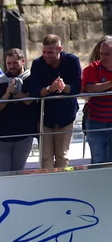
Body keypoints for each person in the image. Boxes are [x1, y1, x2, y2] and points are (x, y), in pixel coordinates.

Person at [29, 34, 81, 169]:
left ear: (59, 49)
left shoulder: (72, 61)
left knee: (62, 155)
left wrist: (63, 87)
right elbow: (33, 90)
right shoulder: (37, 64)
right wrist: (49, 89)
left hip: (66, 115)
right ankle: (47, 181)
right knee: (45, 156)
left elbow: (77, 87)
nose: (46, 56)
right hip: (45, 115)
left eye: (50, 52)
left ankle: (63, 181)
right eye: (44, 52)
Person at [0, 48, 38, 174]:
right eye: (9, 63)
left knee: (18, 172)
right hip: (3, 135)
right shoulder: (0, 81)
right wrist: (7, 93)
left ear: (23, 61)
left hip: (24, 134)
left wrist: (16, 93)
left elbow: (30, 101)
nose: (11, 66)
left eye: (15, 63)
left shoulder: (31, 78)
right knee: (3, 172)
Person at [81, 37, 112, 165]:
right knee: (98, 160)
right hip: (96, 121)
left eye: (107, 54)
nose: (103, 57)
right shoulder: (92, 68)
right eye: (101, 53)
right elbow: (91, 88)